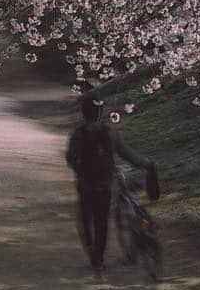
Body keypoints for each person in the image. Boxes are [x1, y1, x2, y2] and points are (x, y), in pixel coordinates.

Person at [65, 94, 155, 274]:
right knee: (101, 221)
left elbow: (70, 158)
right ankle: (100, 257)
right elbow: (127, 153)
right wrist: (147, 164)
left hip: (86, 185)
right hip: (105, 184)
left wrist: (80, 171)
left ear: (84, 113)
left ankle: (93, 256)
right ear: (100, 112)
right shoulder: (110, 132)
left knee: (86, 220)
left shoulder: (79, 133)